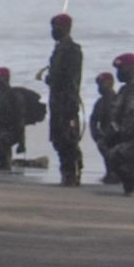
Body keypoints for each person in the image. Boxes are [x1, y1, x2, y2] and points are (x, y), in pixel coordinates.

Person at [45, 14, 82, 186]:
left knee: (68, 138)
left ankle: (72, 172)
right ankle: (66, 172)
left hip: (67, 101)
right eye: (53, 27)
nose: (54, 30)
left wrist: (53, 79)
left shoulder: (72, 49)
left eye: (57, 26)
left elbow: (69, 78)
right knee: (58, 138)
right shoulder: (58, 49)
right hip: (57, 100)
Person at [104, 53, 134, 196]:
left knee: (118, 155)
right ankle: (131, 185)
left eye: (121, 69)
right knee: (112, 153)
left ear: (132, 68)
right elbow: (116, 116)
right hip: (123, 137)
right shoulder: (123, 91)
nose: (118, 73)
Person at [0, 67, 26, 171]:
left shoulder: (15, 95)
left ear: (6, 78)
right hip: (1, 130)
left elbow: (20, 119)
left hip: (13, 131)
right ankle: (4, 162)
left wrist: (22, 142)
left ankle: (5, 162)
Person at [89, 72, 118, 184]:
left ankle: (115, 173)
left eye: (102, 83)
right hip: (104, 135)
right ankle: (110, 172)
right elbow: (93, 119)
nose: (100, 87)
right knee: (105, 148)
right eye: (99, 84)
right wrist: (95, 133)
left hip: (117, 136)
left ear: (111, 83)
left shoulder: (118, 99)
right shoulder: (100, 102)